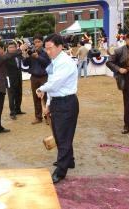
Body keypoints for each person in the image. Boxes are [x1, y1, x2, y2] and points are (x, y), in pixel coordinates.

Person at [36, 34, 79, 184]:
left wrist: (41, 88)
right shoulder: (55, 61)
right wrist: (48, 105)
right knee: (60, 134)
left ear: (60, 47)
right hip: (57, 102)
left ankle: (60, 171)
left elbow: (54, 84)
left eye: (50, 48)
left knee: (63, 136)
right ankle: (69, 160)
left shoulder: (65, 62)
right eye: (46, 49)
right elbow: (53, 87)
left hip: (66, 103)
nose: (48, 52)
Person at [0, 41, 23, 140]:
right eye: (4, 49)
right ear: (1, 48)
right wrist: (20, 49)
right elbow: (8, 56)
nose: (5, 51)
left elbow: (7, 57)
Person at [22, 34, 51, 124]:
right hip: (34, 77)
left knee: (46, 97)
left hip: (44, 77)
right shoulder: (31, 52)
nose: (37, 44)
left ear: (42, 42)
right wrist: (25, 53)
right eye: (35, 42)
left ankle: (48, 117)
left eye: (39, 42)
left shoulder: (46, 52)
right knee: (36, 98)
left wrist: (38, 57)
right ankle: (38, 117)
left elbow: (47, 63)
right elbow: (25, 63)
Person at [5, 41, 25, 120]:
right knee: (11, 96)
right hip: (10, 79)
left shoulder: (18, 55)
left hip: (19, 77)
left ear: (15, 47)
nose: (12, 49)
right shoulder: (7, 56)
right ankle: (12, 112)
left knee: (19, 94)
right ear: (7, 49)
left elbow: (24, 60)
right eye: (10, 47)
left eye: (13, 47)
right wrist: (20, 49)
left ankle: (18, 109)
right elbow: (13, 54)